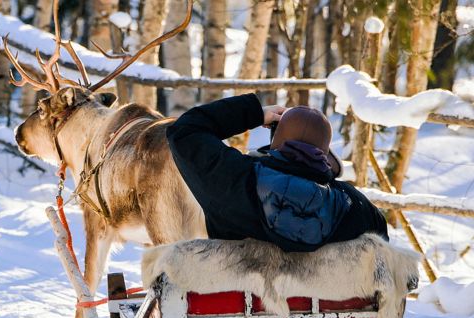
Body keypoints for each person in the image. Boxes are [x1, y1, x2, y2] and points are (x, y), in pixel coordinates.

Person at [166, 93, 388, 253]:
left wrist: (254, 114)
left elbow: (185, 131)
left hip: (238, 306)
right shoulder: (356, 207)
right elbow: (380, 255)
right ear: (325, 153)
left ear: (276, 140)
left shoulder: (234, 177)